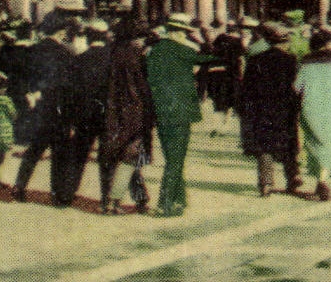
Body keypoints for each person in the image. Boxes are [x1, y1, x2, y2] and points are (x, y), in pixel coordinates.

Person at [143, 13, 217, 216]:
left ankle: (179, 200)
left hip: (161, 111)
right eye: (185, 33)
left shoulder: (154, 51)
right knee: (175, 160)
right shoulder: (182, 50)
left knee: (172, 157)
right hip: (180, 112)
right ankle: (165, 203)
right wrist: (203, 40)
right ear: (179, 32)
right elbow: (210, 57)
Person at [12, 15, 79, 205]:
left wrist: (30, 95)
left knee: (34, 150)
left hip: (39, 108)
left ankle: (19, 186)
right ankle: (58, 194)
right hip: (59, 109)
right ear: (61, 31)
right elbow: (69, 87)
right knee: (59, 153)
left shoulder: (32, 51)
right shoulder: (66, 54)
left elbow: (21, 79)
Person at [52, 19, 112, 208]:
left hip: (83, 115)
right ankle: (106, 197)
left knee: (78, 155)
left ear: (89, 37)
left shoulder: (79, 60)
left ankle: (66, 195)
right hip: (106, 114)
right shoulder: (111, 59)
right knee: (107, 156)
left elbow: (68, 91)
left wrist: (69, 118)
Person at [239, 23, 302, 198]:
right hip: (284, 108)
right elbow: (295, 87)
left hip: (261, 109)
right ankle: (293, 177)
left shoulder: (255, 60)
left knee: (265, 146)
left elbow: (246, 88)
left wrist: (245, 109)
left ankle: (266, 183)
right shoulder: (291, 60)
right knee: (289, 143)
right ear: (285, 42)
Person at [98, 19, 154, 215]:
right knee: (131, 156)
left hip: (112, 112)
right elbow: (143, 89)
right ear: (132, 38)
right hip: (132, 112)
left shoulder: (111, 54)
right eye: (140, 38)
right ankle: (113, 202)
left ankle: (139, 199)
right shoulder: (135, 58)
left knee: (122, 156)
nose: (142, 41)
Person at [296, 30, 331, 201]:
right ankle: (323, 180)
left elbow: (297, 87)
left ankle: (320, 181)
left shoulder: (305, 64)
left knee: (314, 144)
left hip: (311, 108)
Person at [205, 21, 245, 135]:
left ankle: (216, 126)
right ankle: (225, 127)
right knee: (231, 101)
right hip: (233, 75)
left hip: (218, 73)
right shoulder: (238, 42)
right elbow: (241, 60)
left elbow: (213, 53)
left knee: (219, 101)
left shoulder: (220, 38)